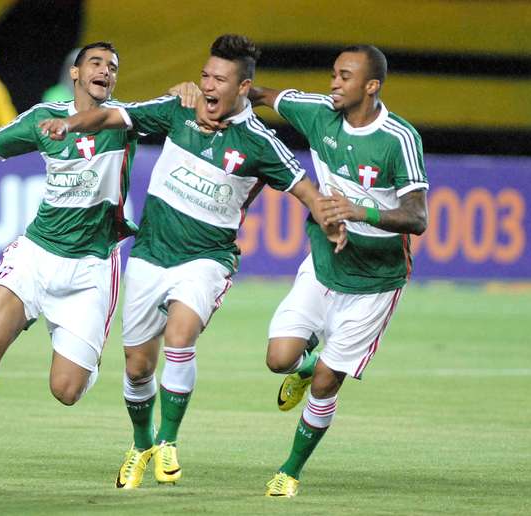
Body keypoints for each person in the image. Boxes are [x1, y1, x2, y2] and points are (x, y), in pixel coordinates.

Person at [40, 34, 345, 490]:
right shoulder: (178, 110)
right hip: (150, 253)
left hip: (207, 258)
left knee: (181, 334)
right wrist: (73, 124)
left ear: (242, 88)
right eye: (205, 75)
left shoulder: (259, 143)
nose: (207, 85)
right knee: (138, 367)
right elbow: (113, 114)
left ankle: (168, 441)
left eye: (219, 78)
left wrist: (330, 218)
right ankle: (141, 443)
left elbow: (304, 188)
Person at [0, 41, 139, 482]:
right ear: (75, 74)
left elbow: (177, 112)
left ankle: (86, 350)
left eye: (112, 67)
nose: (105, 71)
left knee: (66, 391)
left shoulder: (127, 121)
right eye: (95, 63)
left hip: (92, 268)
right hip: (37, 255)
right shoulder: (43, 120)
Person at [244, 45, 429, 497]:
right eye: (333, 74)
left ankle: (290, 470)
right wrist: (217, 92)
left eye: (345, 76)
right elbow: (259, 94)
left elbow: (417, 218)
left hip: (375, 282)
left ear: (371, 86)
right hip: (324, 266)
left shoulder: (398, 138)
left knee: (327, 382)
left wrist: (359, 212)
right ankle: (304, 363)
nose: (334, 83)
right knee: (278, 360)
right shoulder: (317, 112)